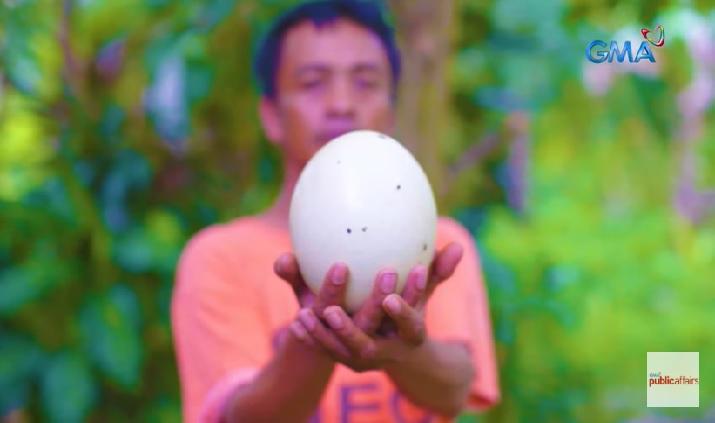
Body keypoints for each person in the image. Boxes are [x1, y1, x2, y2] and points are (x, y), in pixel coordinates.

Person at [171, 1, 500, 422]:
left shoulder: (436, 245)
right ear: (271, 116)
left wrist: (406, 352)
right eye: (313, 83)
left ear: (392, 111)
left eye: (365, 83)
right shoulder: (219, 258)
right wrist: (313, 342)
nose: (341, 104)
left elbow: (454, 390)